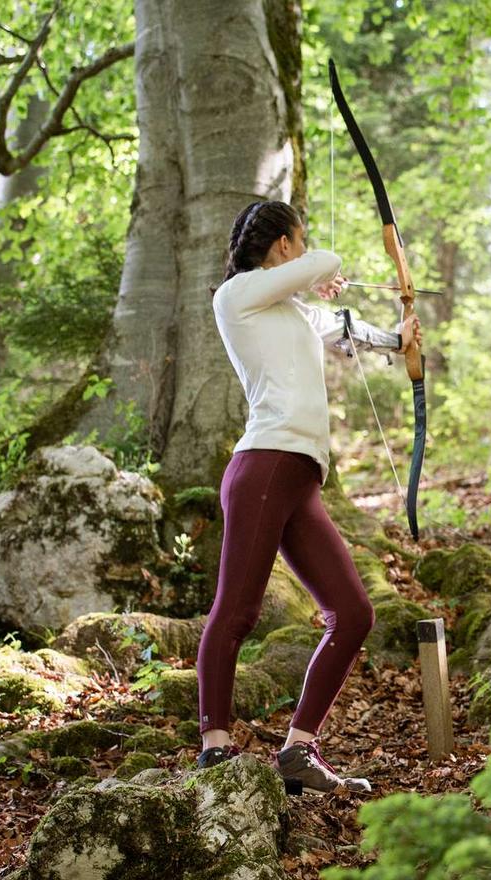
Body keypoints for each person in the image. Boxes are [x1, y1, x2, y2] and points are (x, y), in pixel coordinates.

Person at [195, 199, 421, 795]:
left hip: (300, 478)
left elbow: (341, 326)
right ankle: (214, 747)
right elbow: (330, 260)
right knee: (237, 611)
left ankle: (299, 750)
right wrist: (320, 271)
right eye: (302, 239)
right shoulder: (238, 296)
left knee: (353, 614)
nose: (310, 247)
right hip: (265, 465)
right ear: (284, 245)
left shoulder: (288, 308)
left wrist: (397, 341)